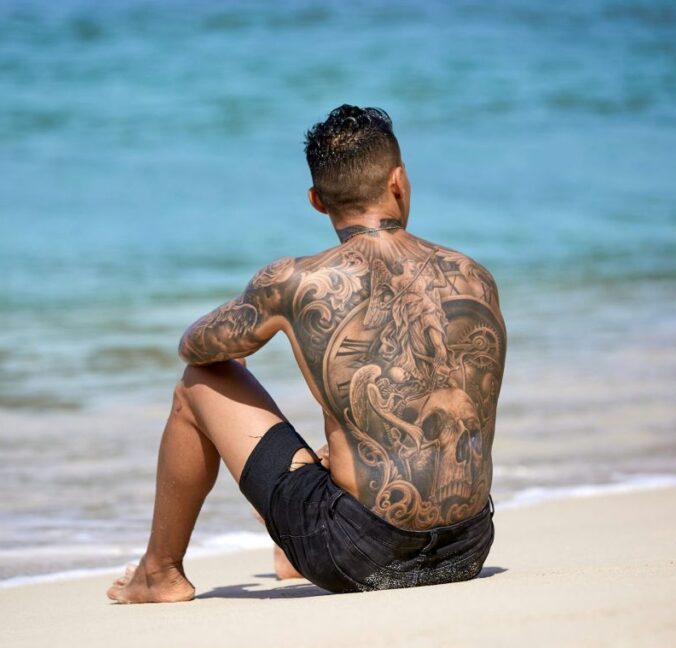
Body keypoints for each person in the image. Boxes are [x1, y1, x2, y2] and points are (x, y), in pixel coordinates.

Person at [107, 105, 507, 602]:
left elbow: (193, 345)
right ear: (398, 181)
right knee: (364, 439)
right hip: (469, 546)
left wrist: (240, 343)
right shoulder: (474, 275)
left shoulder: (295, 281)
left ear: (317, 201)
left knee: (200, 381)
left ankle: (159, 571)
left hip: (359, 555)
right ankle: (287, 546)